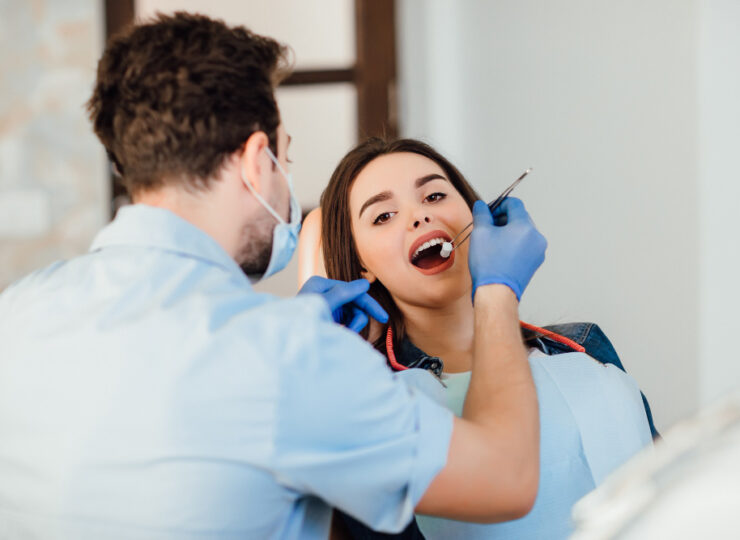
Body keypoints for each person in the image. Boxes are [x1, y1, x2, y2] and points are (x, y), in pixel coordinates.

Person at [0, 13, 548, 539]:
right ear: (257, 160)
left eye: (433, 194)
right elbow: (506, 476)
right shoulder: (286, 352)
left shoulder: (17, 314)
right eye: (286, 158)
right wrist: (497, 291)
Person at [312, 138, 655, 539]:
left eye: (435, 195)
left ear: (479, 216)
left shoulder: (583, 346)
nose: (419, 216)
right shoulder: (369, 404)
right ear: (361, 264)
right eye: (384, 216)